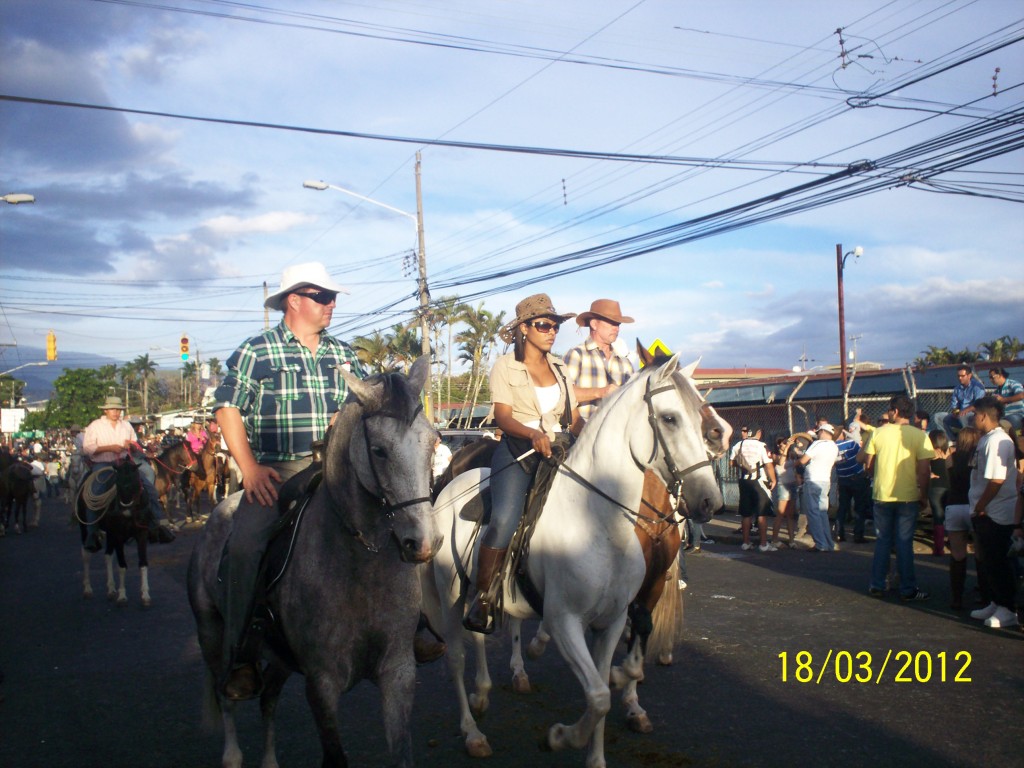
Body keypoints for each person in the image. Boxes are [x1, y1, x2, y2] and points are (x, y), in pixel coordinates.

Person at [213, 261, 372, 699]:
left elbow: (362, 410)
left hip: (337, 472)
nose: (331, 304)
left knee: (398, 523)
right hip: (277, 472)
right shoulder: (256, 351)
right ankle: (242, 654)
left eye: (331, 297)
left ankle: (411, 626)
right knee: (245, 546)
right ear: (294, 300)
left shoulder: (346, 354)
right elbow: (227, 408)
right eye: (322, 296)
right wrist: (248, 468)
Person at [463, 293, 582, 634]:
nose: (552, 331)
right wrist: (532, 435)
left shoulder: (560, 367)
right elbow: (503, 417)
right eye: (544, 325)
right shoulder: (506, 366)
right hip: (519, 452)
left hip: (559, 450)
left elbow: (573, 421)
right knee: (504, 518)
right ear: (524, 329)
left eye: (555, 325)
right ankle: (483, 598)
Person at [81, 395, 175, 550]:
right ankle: (92, 532)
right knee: (95, 493)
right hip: (103, 463)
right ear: (106, 410)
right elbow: (88, 448)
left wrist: (130, 446)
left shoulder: (126, 426)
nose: (116, 412)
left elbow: (135, 445)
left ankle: (155, 524)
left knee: (149, 483)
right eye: (113, 409)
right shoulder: (95, 426)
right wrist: (110, 448)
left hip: (124, 463)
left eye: (118, 409)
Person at [862, 394, 932, 601]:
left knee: (883, 541)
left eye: (890, 410)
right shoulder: (920, 436)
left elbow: (868, 465)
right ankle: (907, 588)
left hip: (882, 494)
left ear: (895, 411)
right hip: (908, 495)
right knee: (904, 543)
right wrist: (924, 495)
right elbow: (924, 471)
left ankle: (877, 584)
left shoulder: (879, 433)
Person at [966, 396, 1022, 628]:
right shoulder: (987, 439)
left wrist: (981, 506)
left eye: (975, 413)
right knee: (989, 561)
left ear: (983, 416)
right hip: (987, 511)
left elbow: (997, 480)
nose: (972, 418)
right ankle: (996, 601)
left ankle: (1007, 608)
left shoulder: (997, 441)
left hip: (995, 512)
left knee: (998, 561)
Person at [563, 298, 635, 420]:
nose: (616, 328)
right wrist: (600, 392)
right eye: (611, 322)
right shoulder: (577, 355)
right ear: (594, 324)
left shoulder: (625, 364)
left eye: (618, 324)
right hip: (579, 435)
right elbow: (563, 394)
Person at [942, 427, 980, 610]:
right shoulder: (978, 457)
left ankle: (956, 597)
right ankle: (985, 595)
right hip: (974, 505)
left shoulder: (952, 457)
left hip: (954, 504)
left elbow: (949, 482)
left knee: (957, 554)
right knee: (980, 554)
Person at [730, 425, 777, 552]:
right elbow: (768, 464)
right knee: (761, 513)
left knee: (746, 514)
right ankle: (763, 544)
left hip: (744, 481)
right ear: (759, 432)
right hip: (759, 481)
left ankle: (745, 542)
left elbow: (731, 462)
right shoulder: (761, 445)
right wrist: (773, 480)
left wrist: (744, 465)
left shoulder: (738, 445)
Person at [797, 423, 840, 552]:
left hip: (813, 480)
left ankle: (821, 544)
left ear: (823, 432)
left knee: (813, 513)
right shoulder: (834, 446)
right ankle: (828, 543)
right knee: (822, 513)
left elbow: (803, 460)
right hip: (825, 480)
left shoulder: (818, 444)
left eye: (819, 431)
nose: (818, 434)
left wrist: (795, 461)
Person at [933, 364, 986, 441]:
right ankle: (952, 441)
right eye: (958, 376)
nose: (960, 378)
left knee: (963, 415)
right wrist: (955, 412)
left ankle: (969, 441)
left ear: (969, 375)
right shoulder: (957, 389)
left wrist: (965, 411)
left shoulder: (977, 387)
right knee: (938, 417)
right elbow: (954, 405)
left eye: (962, 376)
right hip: (960, 415)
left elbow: (978, 404)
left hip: (973, 415)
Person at [770, 435, 799, 548]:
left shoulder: (791, 455)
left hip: (792, 485)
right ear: (778, 445)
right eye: (782, 443)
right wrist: (786, 448)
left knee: (790, 515)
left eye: (786, 442)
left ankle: (791, 540)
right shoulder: (775, 455)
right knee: (780, 514)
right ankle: (774, 540)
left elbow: (796, 465)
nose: (785, 444)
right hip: (783, 485)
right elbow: (781, 462)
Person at [927, 430, 951, 556]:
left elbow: (921, 467)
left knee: (938, 516)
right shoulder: (948, 452)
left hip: (935, 486)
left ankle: (939, 547)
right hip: (948, 485)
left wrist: (929, 474)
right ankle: (951, 541)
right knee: (949, 514)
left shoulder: (931, 453)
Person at [988, 367, 1024, 431]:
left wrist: (1003, 400)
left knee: (1000, 426)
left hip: (1015, 415)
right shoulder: (996, 392)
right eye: (989, 378)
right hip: (1003, 417)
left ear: (1000, 375)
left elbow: (1021, 395)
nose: (990, 380)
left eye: (992, 377)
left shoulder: (1013, 384)